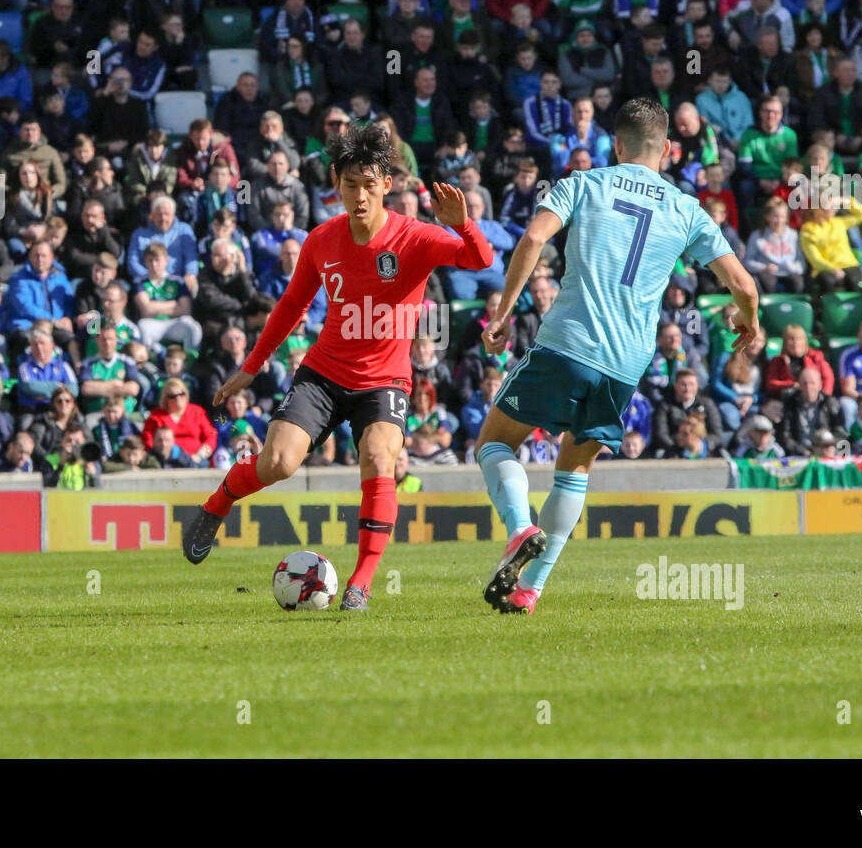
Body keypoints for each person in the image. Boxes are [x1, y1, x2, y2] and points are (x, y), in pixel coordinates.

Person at [188, 123, 493, 611]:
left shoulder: (414, 236)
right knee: (278, 463)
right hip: (324, 374)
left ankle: (360, 584)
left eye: (369, 184)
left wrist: (462, 223)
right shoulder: (321, 240)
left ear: (386, 184)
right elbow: (290, 307)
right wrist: (251, 367)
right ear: (336, 184)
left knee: (379, 459)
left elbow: (481, 260)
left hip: (385, 381)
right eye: (350, 184)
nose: (359, 195)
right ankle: (216, 504)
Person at [471, 98, 760, 615]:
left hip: (568, 341)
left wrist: (503, 314)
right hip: (625, 364)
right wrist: (750, 321)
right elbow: (744, 285)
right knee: (574, 469)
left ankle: (519, 528)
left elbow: (534, 237)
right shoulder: (687, 208)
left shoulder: (583, 183)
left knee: (494, 441)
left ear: (616, 144)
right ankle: (531, 589)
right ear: (668, 150)